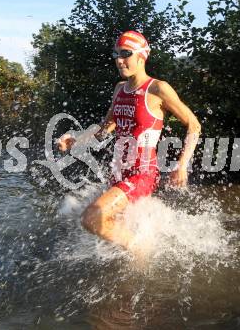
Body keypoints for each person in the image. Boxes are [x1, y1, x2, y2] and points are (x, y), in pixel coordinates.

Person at [58, 30, 201, 250]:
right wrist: (75, 139)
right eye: (116, 54)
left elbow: (194, 124)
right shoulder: (119, 89)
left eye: (126, 53)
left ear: (142, 56)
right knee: (112, 224)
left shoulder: (157, 89)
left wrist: (182, 165)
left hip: (142, 173)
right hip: (117, 171)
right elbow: (104, 130)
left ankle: (140, 249)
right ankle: (138, 267)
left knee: (92, 218)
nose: (119, 59)